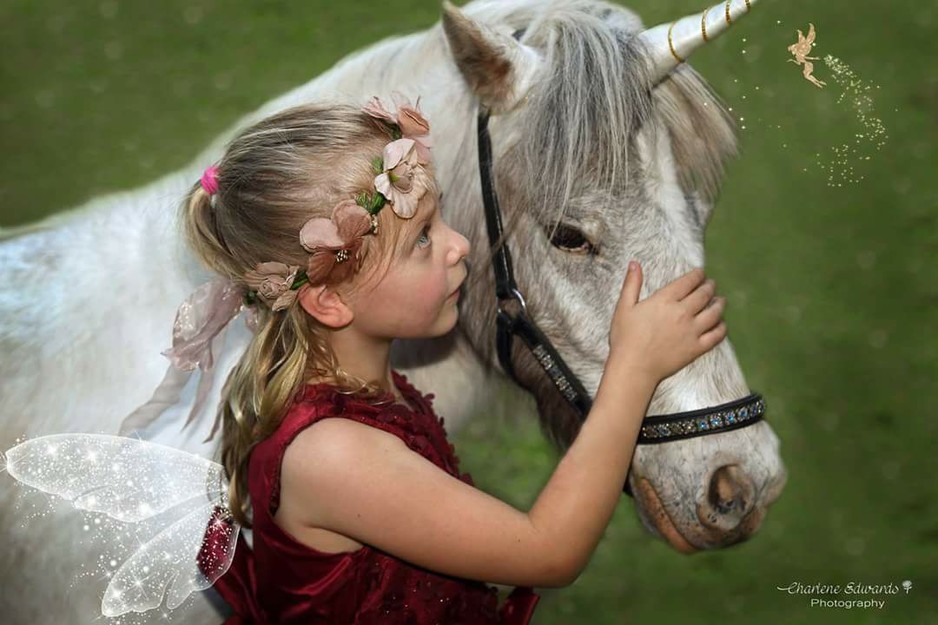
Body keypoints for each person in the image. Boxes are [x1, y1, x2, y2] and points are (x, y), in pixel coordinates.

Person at [183, 98, 727, 625]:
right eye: (422, 238)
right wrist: (633, 367)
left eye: (439, 216)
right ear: (328, 300)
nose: (460, 244)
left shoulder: (361, 392)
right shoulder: (332, 454)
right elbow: (549, 550)